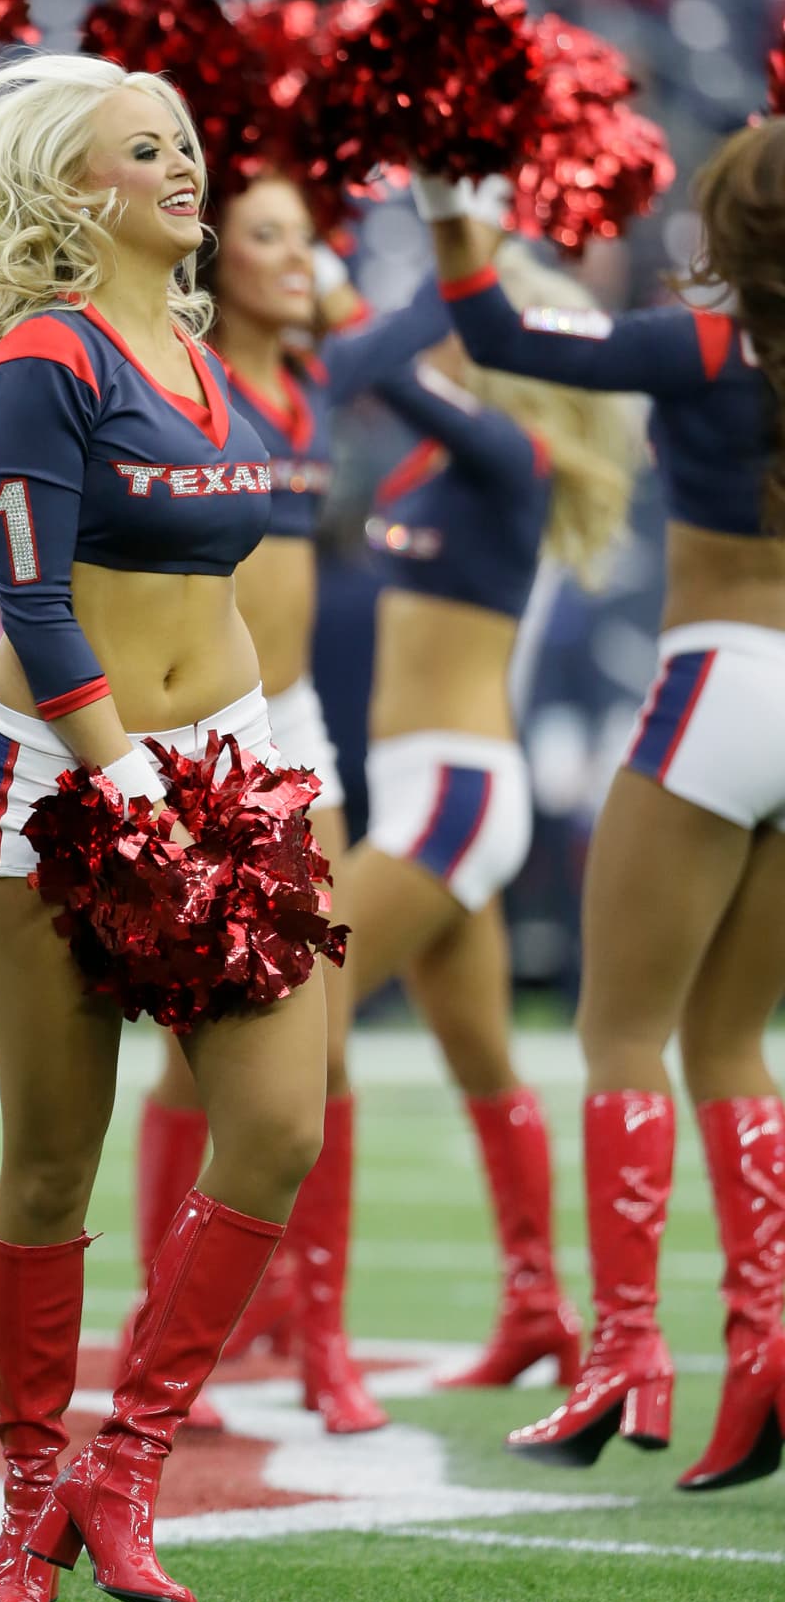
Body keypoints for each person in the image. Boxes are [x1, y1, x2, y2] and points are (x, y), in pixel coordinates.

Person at [0, 53, 331, 1602]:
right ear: (71, 191)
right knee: (50, 1161)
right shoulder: (44, 357)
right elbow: (29, 599)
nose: (181, 166)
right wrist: (126, 784)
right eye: (140, 149)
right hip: (64, 776)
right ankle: (27, 1506)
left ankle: (127, 1467)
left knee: (280, 1123)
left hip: (230, 758)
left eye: (183, 144)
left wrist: (232, 767)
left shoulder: (208, 355)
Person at [421, 128, 785, 1491]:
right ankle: (768, 1349)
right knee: (735, 1043)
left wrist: (455, 207)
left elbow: (499, 332)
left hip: (717, 684)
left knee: (621, 1032)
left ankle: (626, 1351)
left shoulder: (700, 347)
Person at [123, 173, 454, 1435]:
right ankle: (159, 1326)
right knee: (189, 1051)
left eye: (306, 238)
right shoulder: (190, 374)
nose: (294, 258)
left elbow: (425, 317)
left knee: (320, 1035)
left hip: (295, 727)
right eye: (267, 237)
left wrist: (344, 279)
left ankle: (321, 1338)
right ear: (216, 256)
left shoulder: (316, 379)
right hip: (189, 733)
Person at [329, 231, 639, 1392]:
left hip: (455, 789)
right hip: (428, 786)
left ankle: (307, 1331)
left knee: (298, 1025)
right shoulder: (449, 457)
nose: (459, 317)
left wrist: (386, 292)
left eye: (481, 307)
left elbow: (369, 368)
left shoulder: (515, 451)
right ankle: (538, 1311)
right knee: (479, 1060)